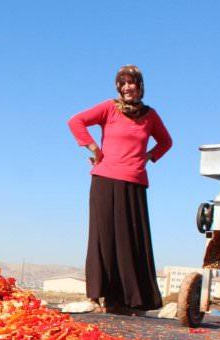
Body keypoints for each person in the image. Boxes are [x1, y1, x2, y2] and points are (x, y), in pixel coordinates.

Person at [67, 64, 172, 314]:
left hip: (134, 181)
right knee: (102, 236)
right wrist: (93, 148)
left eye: (131, 82)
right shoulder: (109, 108)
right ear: (118, 87)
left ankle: (130, 301)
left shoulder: (150, 116)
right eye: (122, 83)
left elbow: (166, 142)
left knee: (131, 240)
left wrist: (149, 157)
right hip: (104, 179)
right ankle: (96, 297)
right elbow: (76, 121)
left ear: (140, 86)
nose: (127, 87)